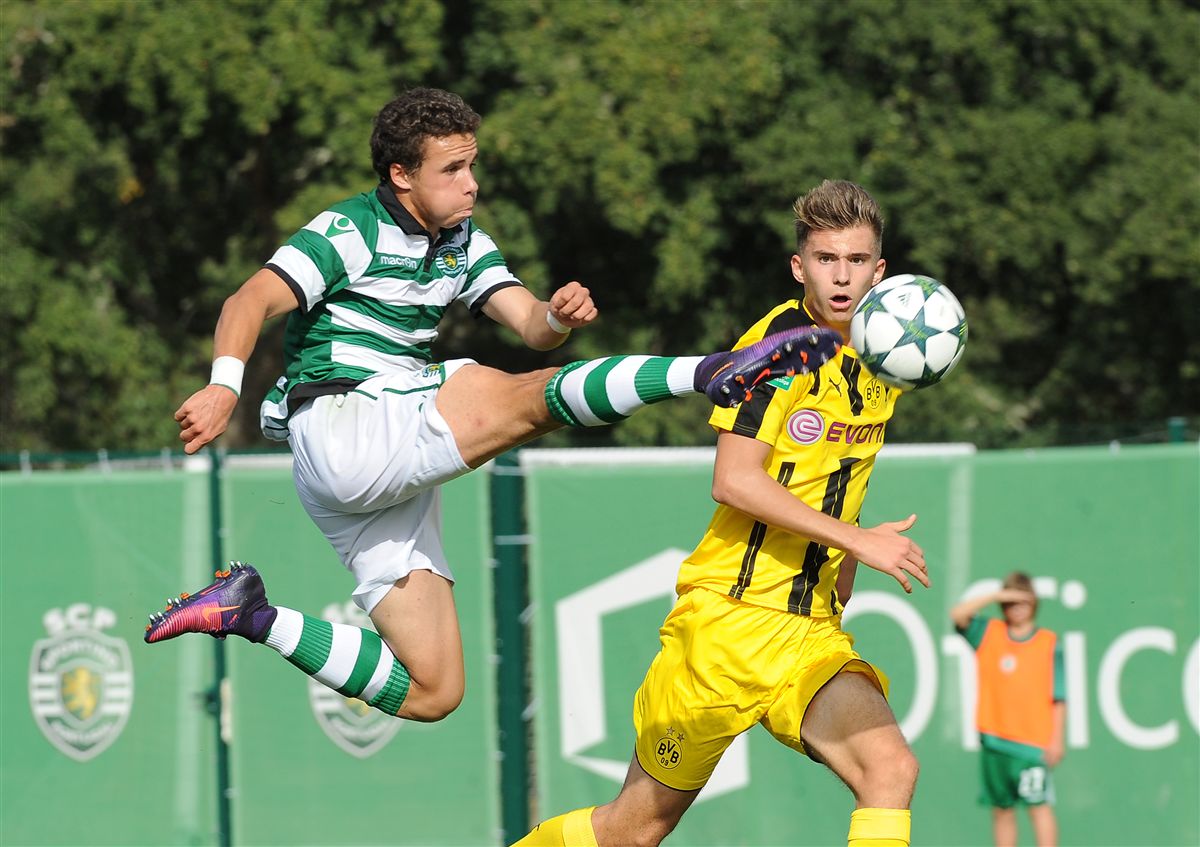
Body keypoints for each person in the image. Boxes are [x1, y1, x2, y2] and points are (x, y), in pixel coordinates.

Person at [144, 87, 838, 728]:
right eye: (453, 169)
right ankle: (710, 371)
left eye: (472, 164)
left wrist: (558, 317)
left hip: (364, 474)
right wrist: (224, 384)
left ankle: (251, 612)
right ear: (401, 176)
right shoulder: (347, 230)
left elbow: (531, 325)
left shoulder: (464, 241)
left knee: (434, 690)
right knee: (524, 398)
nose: (472, 182)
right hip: (350, 420)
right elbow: (249, 300)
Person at [515, 180, 928, 847]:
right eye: (827, 259)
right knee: (633, 829)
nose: (842, 275)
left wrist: (847, 554)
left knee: (891, 768)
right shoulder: (778, 347)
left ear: (880, 271)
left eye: (857, 260)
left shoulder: (883, 356)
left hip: (808, 631)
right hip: (726, 629)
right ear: (800, 267)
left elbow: (837, 472)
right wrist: (854, 537)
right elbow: (733, 479)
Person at [950, 572, 1065, 847]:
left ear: (1034, 604)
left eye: (1023, 602)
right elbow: (958, 615)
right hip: (994, 741)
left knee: (1039, 807)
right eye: (1011, 602)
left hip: (1031, 745)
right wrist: (997, 595)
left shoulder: (1048, 643)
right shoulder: (990, 633)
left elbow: (1058, 696)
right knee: (1002, 810)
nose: (1017, 608)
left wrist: (1056, 740)